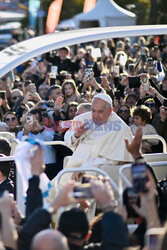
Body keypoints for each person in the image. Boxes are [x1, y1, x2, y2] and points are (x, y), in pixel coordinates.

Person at [64, 93, 133, 183]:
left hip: (96, 173)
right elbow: (67, 139)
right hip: (74, 166)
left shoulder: (121, 128)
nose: (95, 115)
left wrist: (84, 169)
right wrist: (77, 134)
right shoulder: (84, 118)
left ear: (110, 110)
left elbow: (111, 160)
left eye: (100, 111)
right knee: (51, 191)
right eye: (93, 111)